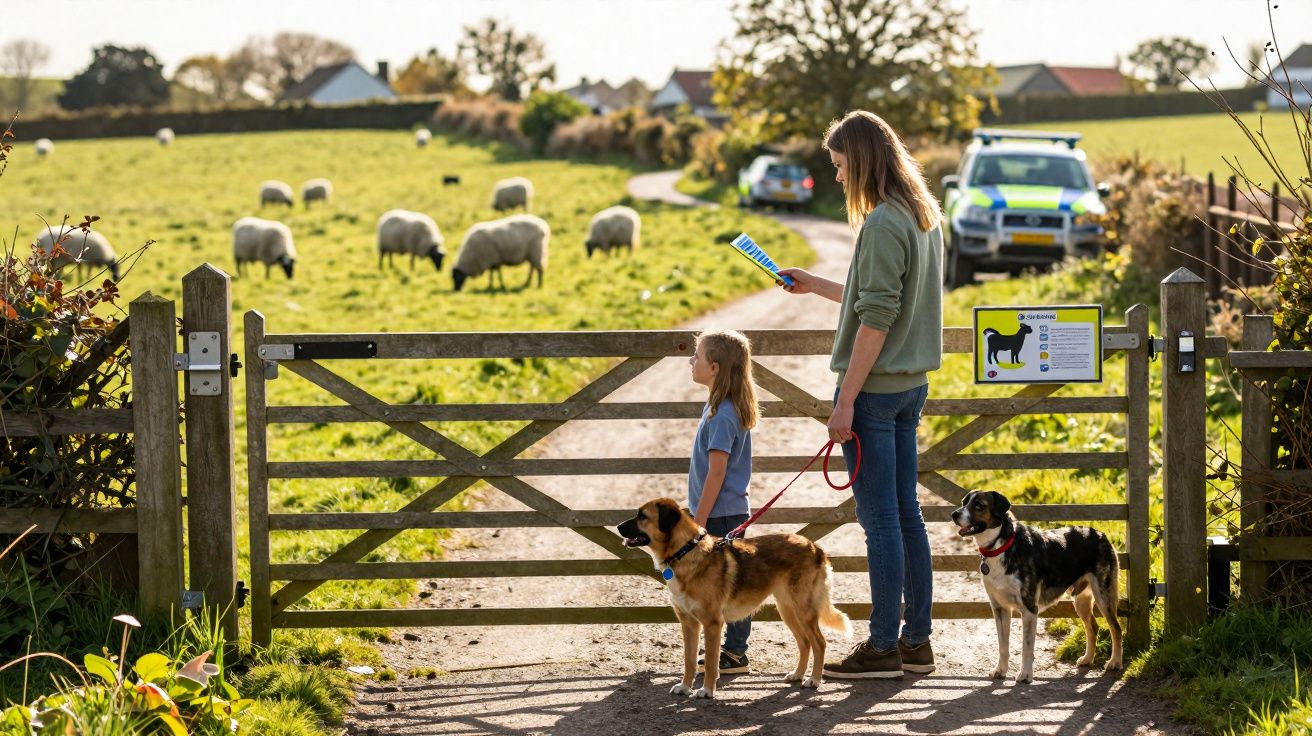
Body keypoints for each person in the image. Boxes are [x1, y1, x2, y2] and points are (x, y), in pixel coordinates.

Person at [778, 110, 944, 679]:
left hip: (873, 394)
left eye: (840, 164)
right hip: (910, 388)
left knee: (881, 522)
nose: (837, 176)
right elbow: (876, 297)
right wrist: (816, 284)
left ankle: (881, 647)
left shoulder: (881, 223)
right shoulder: (922, 215)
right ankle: (916, 642)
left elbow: (876, 318)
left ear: (864, 160)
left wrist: (844, 400)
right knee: (906, 515)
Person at [687, 329, 759, 675]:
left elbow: (716, 473)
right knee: (728, 581)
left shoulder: (723, 415)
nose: (691, 361)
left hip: (719, 515)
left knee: (728, 584)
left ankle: (735, 652)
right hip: (725, 511)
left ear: (714, 367)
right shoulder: (720, 407)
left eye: (697, 356)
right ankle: (728, 648)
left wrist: (698, 522)